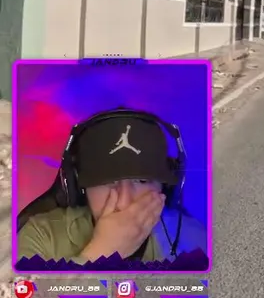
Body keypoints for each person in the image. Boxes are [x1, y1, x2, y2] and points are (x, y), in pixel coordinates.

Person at [17, 110, 208, 265]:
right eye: (106, 181)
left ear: (165, 187)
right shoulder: (40, 237)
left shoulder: (195, 239)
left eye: (141, 181)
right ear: (76, 185)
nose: (124, 202)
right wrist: (101, 252)